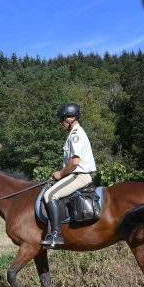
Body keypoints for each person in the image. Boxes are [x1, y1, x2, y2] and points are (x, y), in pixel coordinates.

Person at [40, 102, 96, 247]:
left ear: (70, 119)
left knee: (50, 195)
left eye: (62, 120)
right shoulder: (75, 133)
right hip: (75, 175)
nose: (61, 123)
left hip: (79, 175)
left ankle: (55, 235)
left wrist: (61, 173)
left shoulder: (75, 135)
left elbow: (74, 161)